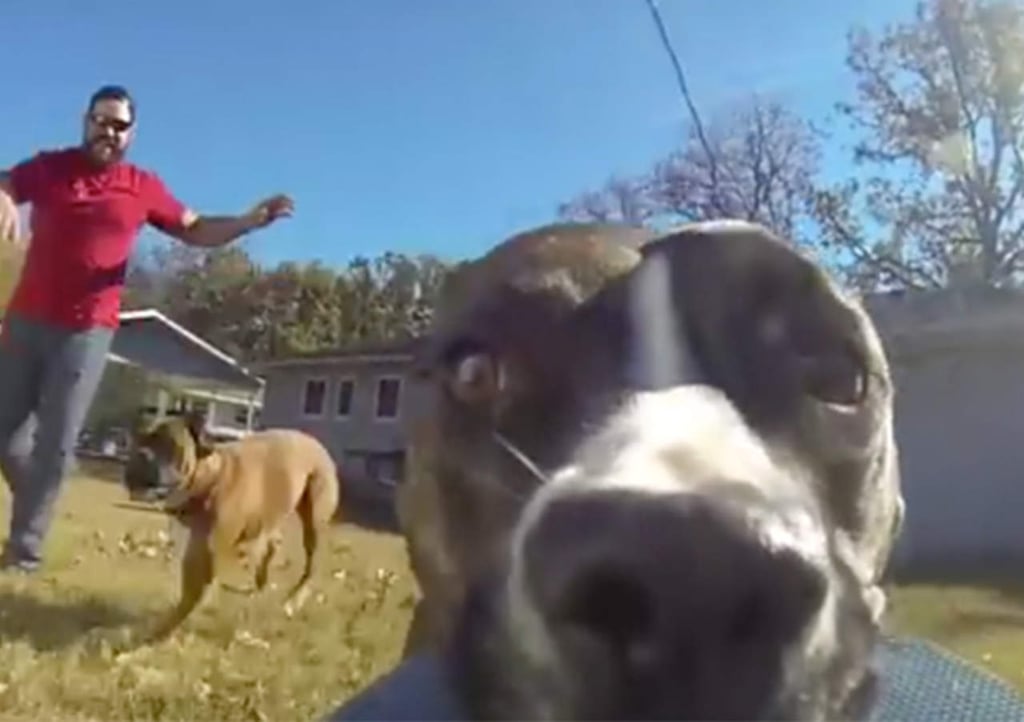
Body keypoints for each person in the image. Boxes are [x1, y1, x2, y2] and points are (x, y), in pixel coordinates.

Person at [0, 84, 294, 572]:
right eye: (101, 120)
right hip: (26, 321)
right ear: (85, 121)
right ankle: (37, 499)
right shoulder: (52, 168)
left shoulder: (141, 186)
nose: (108, 131)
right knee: (5, 435)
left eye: (119, 125)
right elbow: (10, 181)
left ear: (131, 134)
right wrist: (5, 196)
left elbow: (195, 228)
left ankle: (23, 555)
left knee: (55, 443)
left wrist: (248, 221)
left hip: (85, 333)